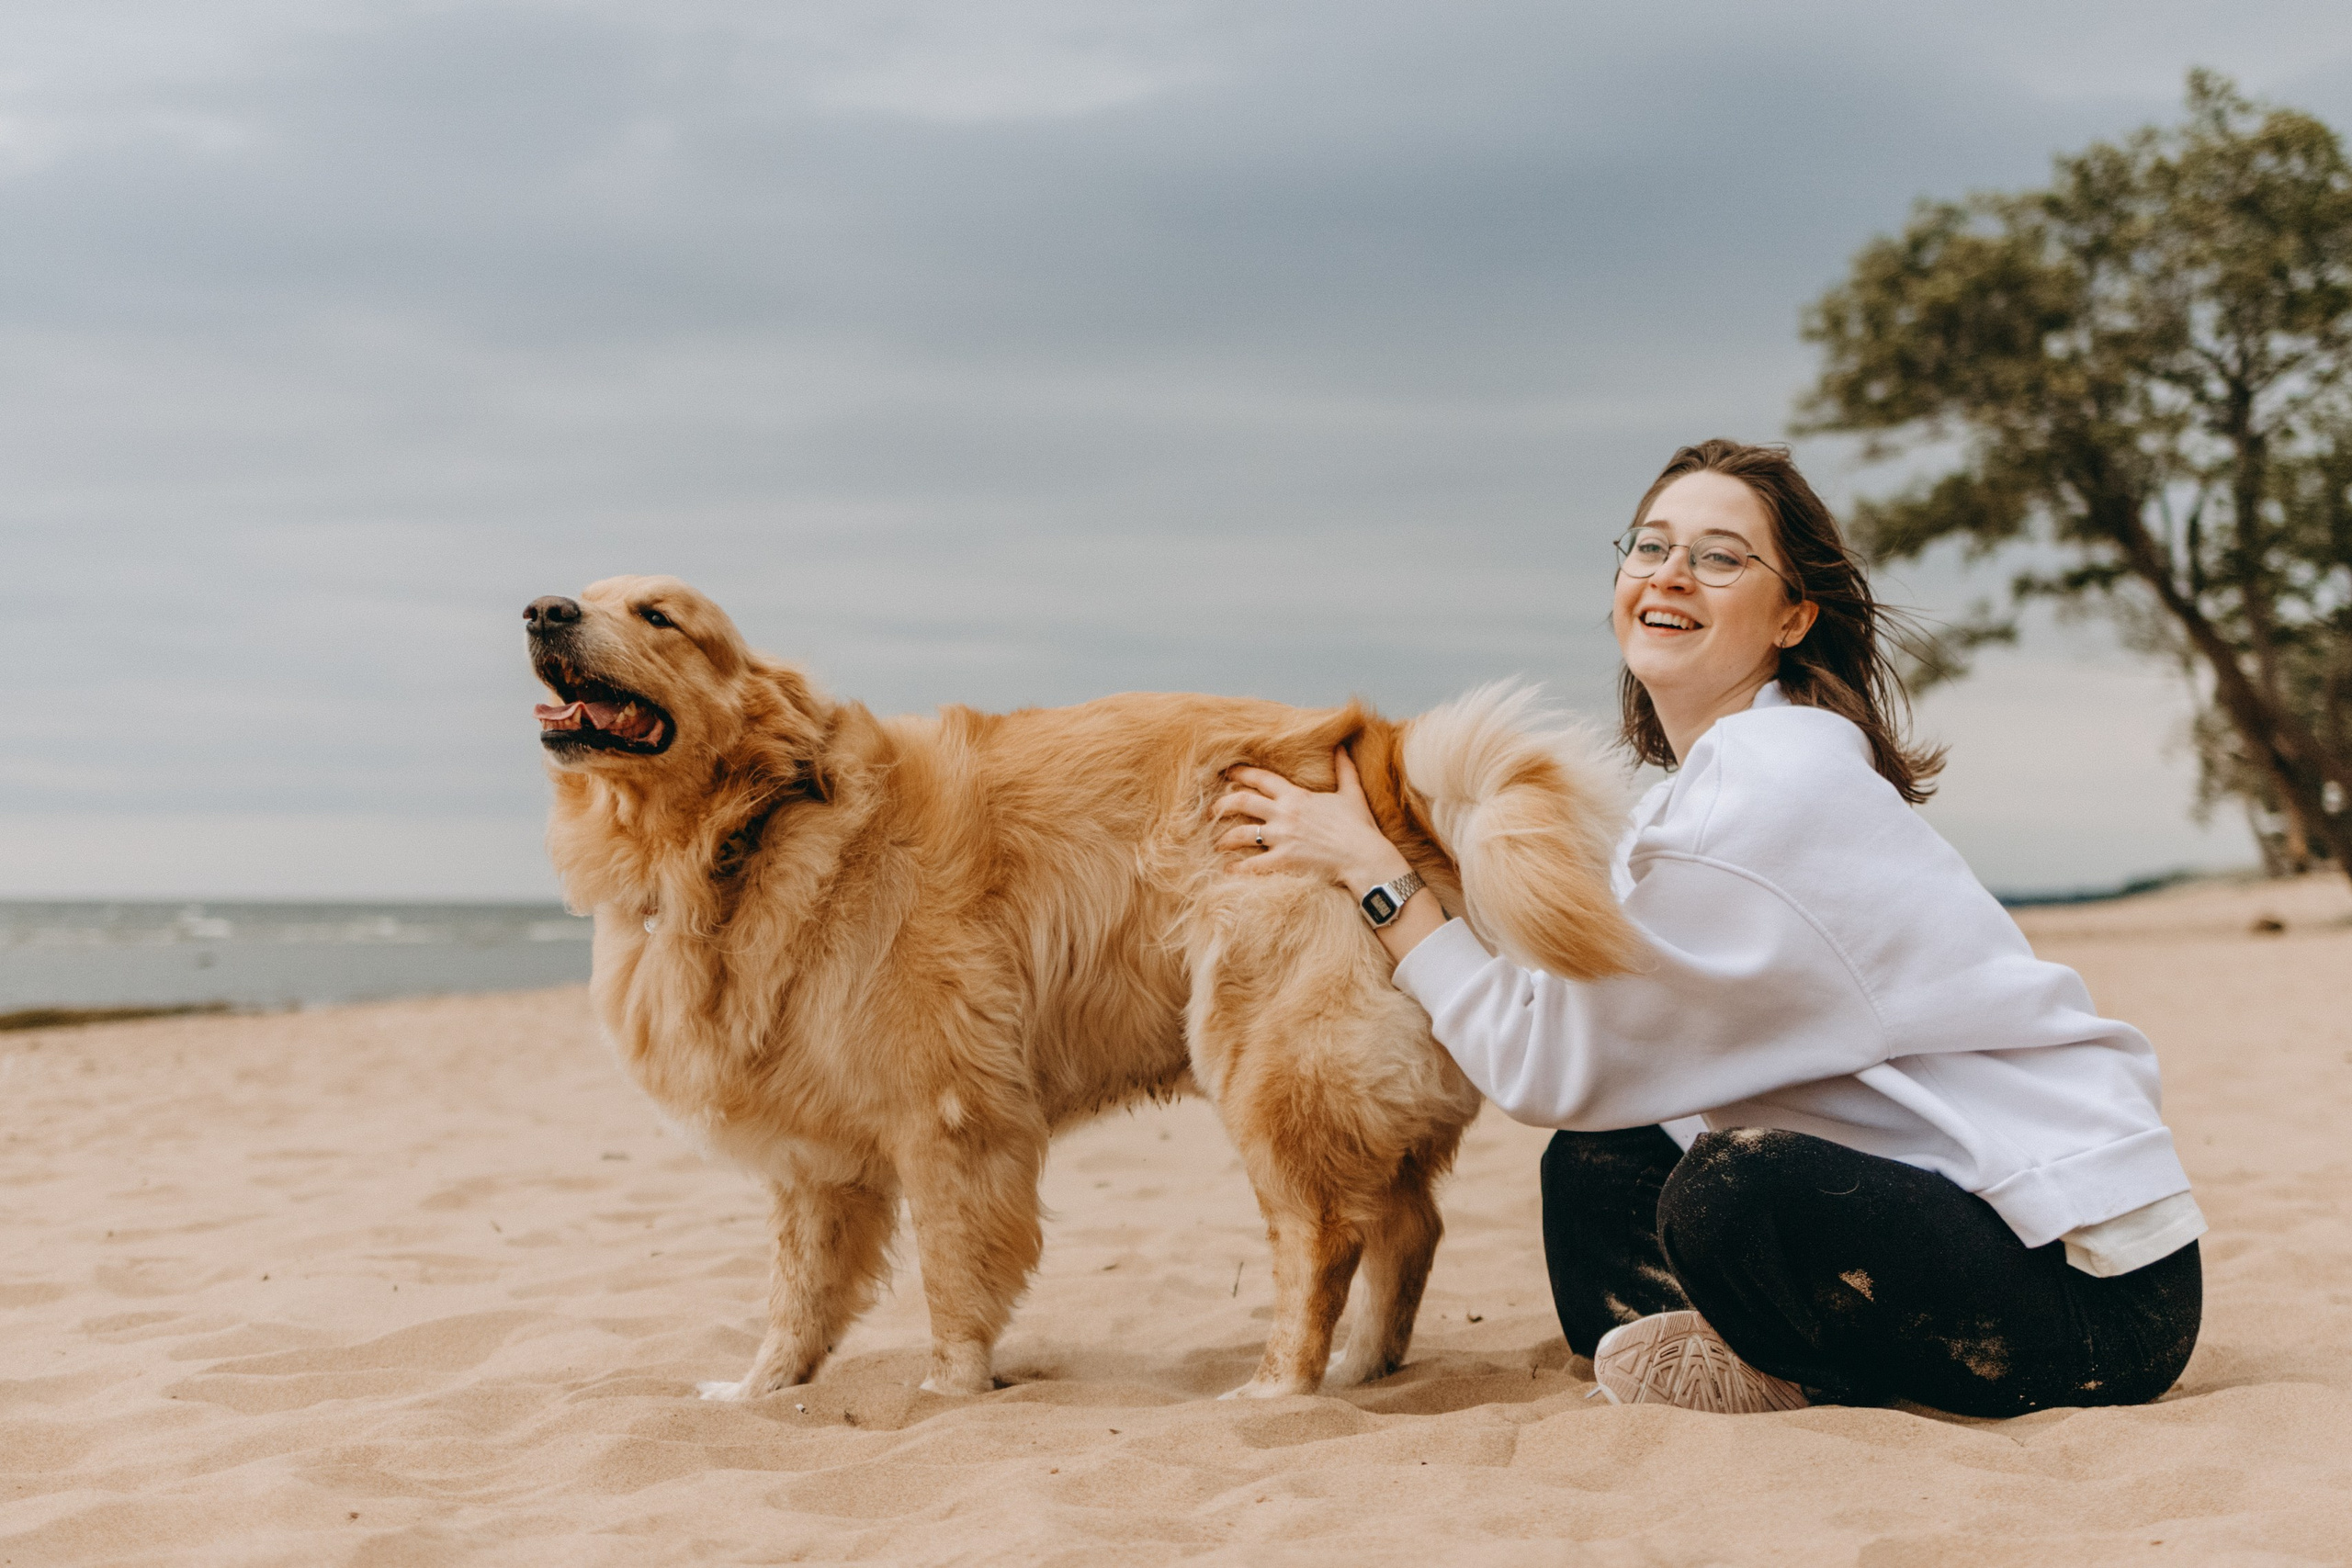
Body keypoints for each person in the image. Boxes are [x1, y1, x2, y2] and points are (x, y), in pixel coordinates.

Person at [1213, 439, 2204, 1417]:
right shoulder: (1710, 787)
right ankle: (1758, 1359)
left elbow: (1538, 1059)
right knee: (1599, 1159)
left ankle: (1803, 1372)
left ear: (1792, 615)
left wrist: (1374, 872)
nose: (1669, 575)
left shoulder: (1765, 793)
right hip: (1959, 1224)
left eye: (1719, 556)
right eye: (1648, 547)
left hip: (2093, 1291)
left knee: (1731, 1189)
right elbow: (1578, 1040)